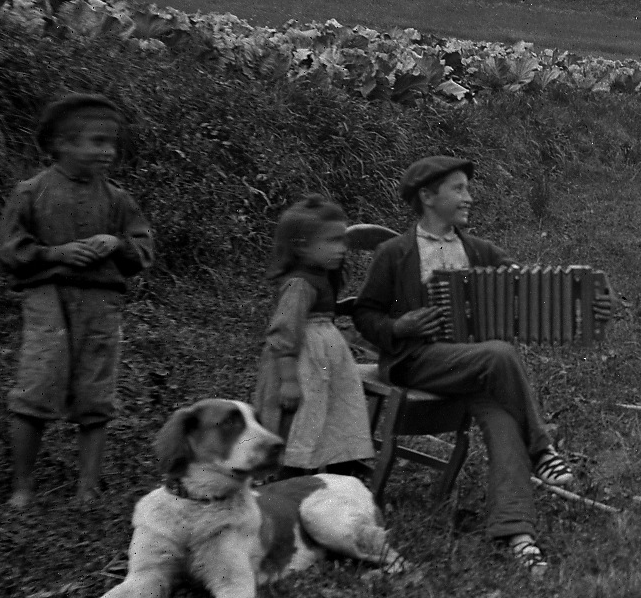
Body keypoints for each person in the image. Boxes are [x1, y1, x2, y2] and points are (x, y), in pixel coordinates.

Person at [352, 156, 608, 576]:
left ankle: (517, 533)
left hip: (472, 368)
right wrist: (399, 325)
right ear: (428, 196)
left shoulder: (477, 250)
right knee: (500, 353)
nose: (469, 197)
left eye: (468, 188)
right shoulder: (394, 253)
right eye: (459, 189)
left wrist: (586, 298)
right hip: (417, 361)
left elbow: (533, 287)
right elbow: (365, 313)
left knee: (503, 418)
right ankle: (542, 447)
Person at [0, 93, 155, 507]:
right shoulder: (31, 193)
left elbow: (143, 248)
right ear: (61, 144)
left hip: (101, 305)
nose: (108, 152)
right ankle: (22, 487)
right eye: (96, 142)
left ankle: (87, 488)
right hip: (48, 301)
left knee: (96, 392)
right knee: (37, 384)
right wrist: (54, 254)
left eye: (112, 143)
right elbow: (8, 248)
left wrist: (116, 243)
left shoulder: (117, 199)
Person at [250, 195, 375, 480]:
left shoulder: (321, 275)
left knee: (331, 413)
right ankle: (289, 477)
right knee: (302, 419)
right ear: (301, 247)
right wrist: (289, 379)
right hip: (302, 362)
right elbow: (284, 331)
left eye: (343, 240)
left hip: (326, 361)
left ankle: (337, 467)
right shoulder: (299, 284)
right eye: (332, 241)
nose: (342, 249)